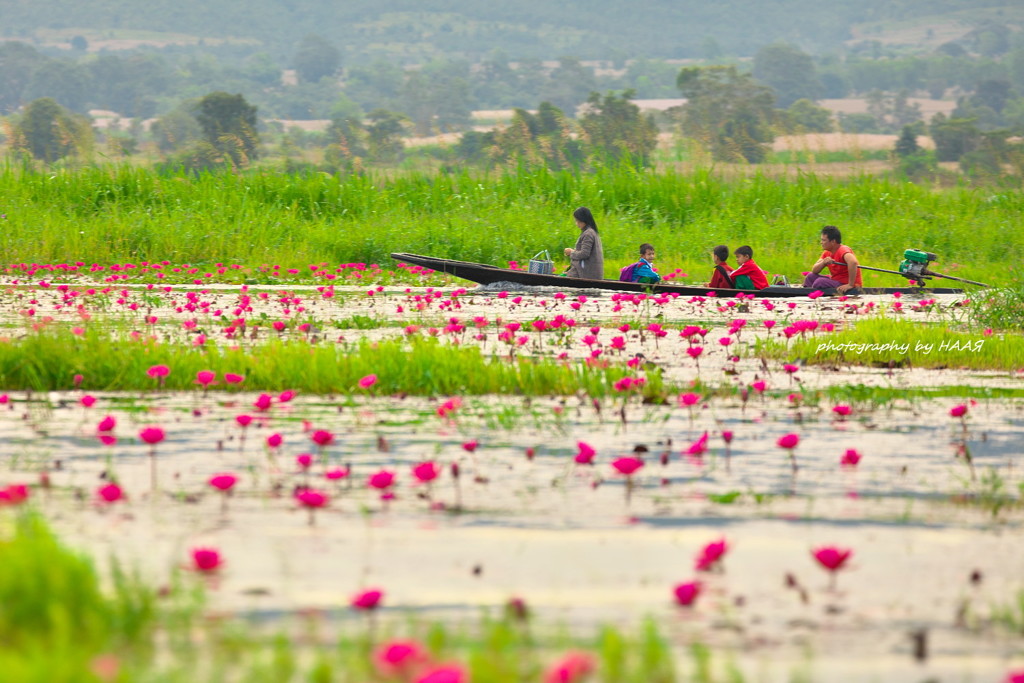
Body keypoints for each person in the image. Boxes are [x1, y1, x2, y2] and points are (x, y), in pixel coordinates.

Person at [803, 225, 862, 294]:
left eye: (823, 240)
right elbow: (814, 270)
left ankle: (813, 295)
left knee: (820, 282)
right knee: (810, 276)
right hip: (835, 280)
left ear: (833, 241)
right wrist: (823, 263)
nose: (821, 242)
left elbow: (853, 262)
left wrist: (850, 285)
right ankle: (806, 295)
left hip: (845, 284)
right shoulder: (827, 253)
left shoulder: (842, 250)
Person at [563, 206, 604, 279]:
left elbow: (584, 254)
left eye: (578, 221)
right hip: (588, 272)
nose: (577, 223)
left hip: (587, 274)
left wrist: (571, 252)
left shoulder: (588, 234)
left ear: (584, 220)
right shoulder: (591, 232)